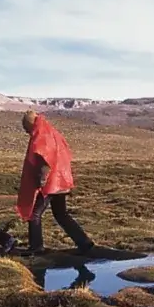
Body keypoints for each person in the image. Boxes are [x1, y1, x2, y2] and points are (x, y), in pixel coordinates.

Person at [14, 110, 95, 256]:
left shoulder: (42, 135)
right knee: (61, 214)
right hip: (60, 182)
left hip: (51, 184)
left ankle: (36, 247)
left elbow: (45, 159)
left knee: (35, 214)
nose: (25, 130)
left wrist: (42, 180)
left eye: (25, 126)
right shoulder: (52, 132)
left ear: (30, 123)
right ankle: (84, 242)